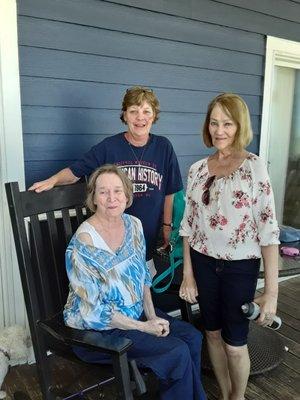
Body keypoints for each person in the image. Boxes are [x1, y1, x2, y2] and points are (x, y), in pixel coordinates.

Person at [63, 164, 206, 400]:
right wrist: (144, 327)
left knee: (192, 337)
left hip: (134, 315)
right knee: (176, 351)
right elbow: (93, 313)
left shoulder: (133, 225)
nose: (112, 198)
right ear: (93, 198)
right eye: (103, 192)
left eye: (118, 191)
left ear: (127, 195)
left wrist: (151, 316)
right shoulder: (84, 243)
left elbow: (142, 277)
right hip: (98, 332)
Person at [179, 93, 279, 400]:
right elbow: (188, 227)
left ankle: (238, 397)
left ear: (240, 126)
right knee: (211, 332)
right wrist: (188, 273)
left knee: (235, 343)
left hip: (240, 267)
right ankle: (224, 395)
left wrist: (272, 294)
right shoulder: (197, 169)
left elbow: (269, 232)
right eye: (214, 122)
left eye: (227, 123)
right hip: (202, 263)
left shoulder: (254, 168)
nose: (219, 130)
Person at [29, 86, 183, 272]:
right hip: (112, 245)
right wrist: (53, 180)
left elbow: (169, 192)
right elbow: (75, 171)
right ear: (125, 115)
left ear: (153, 116)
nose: (140, 117)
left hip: (148, 240)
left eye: (146, 112)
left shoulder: (164, 147)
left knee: (143, 290)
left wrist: (167, 226)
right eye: (133, 111)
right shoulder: (109, 147)